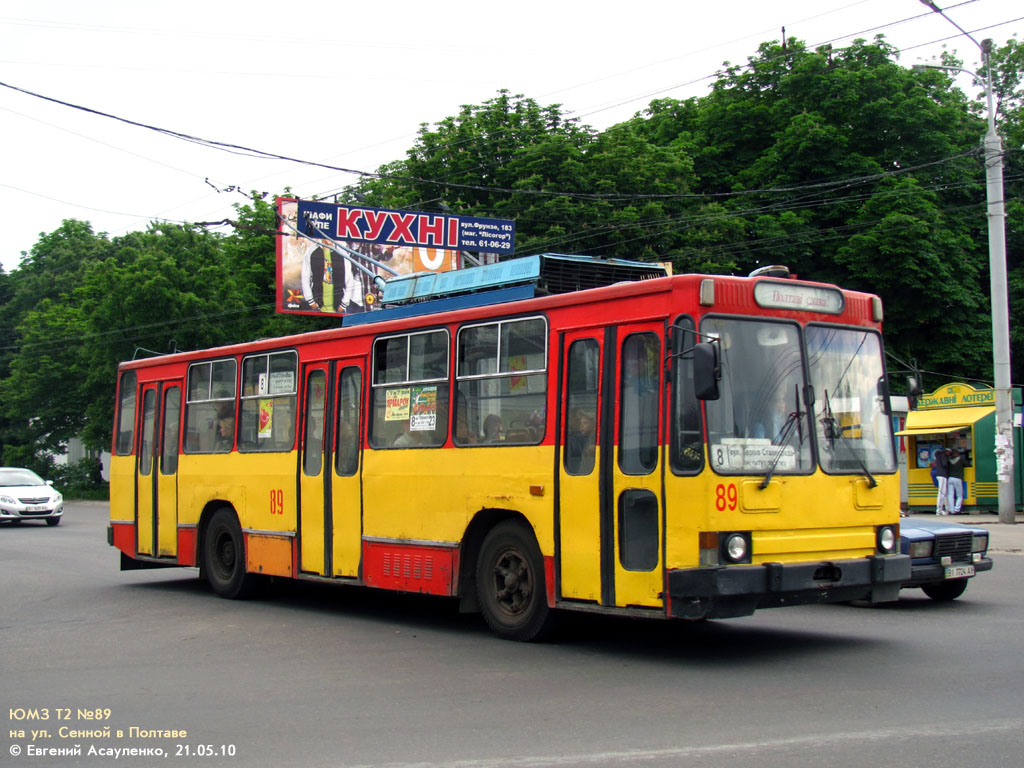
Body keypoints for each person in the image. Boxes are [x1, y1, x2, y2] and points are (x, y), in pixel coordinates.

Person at [947, 448, 965, 514]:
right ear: (957, 454)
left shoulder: (949, 460)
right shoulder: (961, 459)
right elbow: (967, 464)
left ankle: (951, 510)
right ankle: (957, 509)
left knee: (950, 495)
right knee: (959, 495)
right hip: (958, 478)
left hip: (950, 478)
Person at [932, 447, 950, 515]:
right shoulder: (943, 456)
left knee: (944, 493)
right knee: (942, 493)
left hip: (939, 475)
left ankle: (946, 509)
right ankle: (939, 510)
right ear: (947, 452)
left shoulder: (939, 456)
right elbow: (945, 464)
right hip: (942, 475)